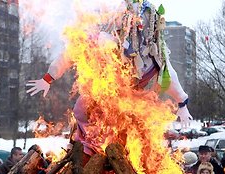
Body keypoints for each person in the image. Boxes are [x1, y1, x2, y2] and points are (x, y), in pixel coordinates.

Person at [26, 0, 193, 166]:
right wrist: (48, 78)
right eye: (131, 20)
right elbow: (69, 55)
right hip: (97, 102)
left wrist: (182, 104)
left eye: (145, 22)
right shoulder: (102, 41)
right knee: (84, 111)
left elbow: (169, 76)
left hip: (130, 108)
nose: (138, 26)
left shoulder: (154, 56)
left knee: (132, 133)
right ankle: (86, 155)